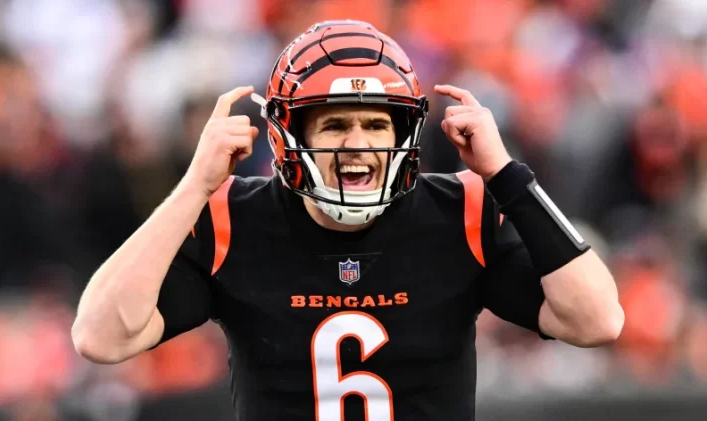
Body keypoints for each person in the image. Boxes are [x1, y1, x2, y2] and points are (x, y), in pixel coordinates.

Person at [72, 20, 624, 420]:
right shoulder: (234, 217)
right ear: (291, 135)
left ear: (405, 135)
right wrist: (194, 185)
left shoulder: (464, 210)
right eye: (334, 124)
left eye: (377, 125)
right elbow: (100, 335)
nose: (357, 146)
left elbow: (597, 321)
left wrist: (507, 175)